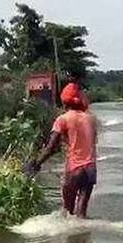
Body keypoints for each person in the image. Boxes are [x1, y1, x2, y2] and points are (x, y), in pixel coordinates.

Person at [32, 83, 98, 218]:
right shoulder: (91, 119)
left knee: (67, 213)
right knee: (81, 214)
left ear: (64, 101)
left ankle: (70, 238)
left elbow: (51, 148)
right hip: (91, 169)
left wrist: (36, 164)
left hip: (74, 169)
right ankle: (82, 238)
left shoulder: (63, 119)